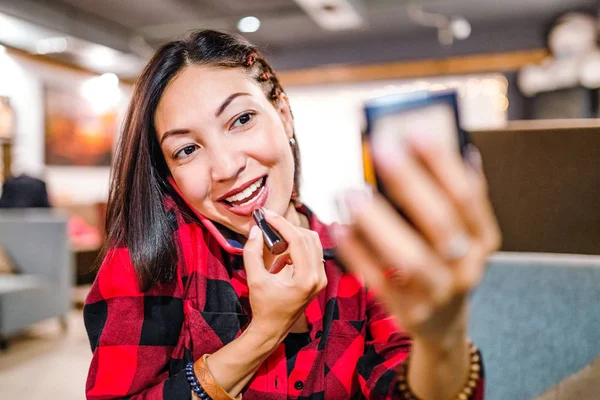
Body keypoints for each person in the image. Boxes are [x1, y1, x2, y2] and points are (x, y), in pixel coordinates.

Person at [84, 30, 500, 400]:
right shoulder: (152, 256)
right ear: (169, 171)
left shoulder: (367, 258)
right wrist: (265, 331)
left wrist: (441, 339)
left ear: (283, 114)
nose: (226, 168)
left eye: (241, 119)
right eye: (187, 149)